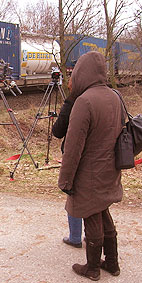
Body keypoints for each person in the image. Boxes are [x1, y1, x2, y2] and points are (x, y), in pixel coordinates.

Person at [58, 51, 123, 281]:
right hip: (111, 168)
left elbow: (73, 146)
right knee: (104, 210)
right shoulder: (115, 96)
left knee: (91, 214)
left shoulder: (84, 101)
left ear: (82, 74)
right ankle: (112, 263)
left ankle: (93, 267)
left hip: (90, 171)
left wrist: (65, 180)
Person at [52, 78, 83, 249]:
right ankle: (93, 234)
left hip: (76, 155)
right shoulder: (107, 95)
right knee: (95, 197)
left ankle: (75, 236)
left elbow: (57, 131)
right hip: (101, 156)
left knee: (74, 194)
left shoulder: (74, 101)